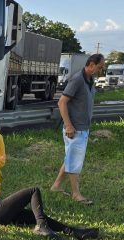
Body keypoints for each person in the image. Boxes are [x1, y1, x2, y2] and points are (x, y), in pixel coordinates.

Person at [50, 53, 106, 205]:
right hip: (74, 130)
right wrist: (68, 125)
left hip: (82, 128)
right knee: (74, 161)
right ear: (91, 65)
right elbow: (62, 102)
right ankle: (76, 194)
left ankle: (56, 186)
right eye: (100, 67)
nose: (101, 71)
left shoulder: (89, 80)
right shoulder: (77, 79)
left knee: (70, 157)